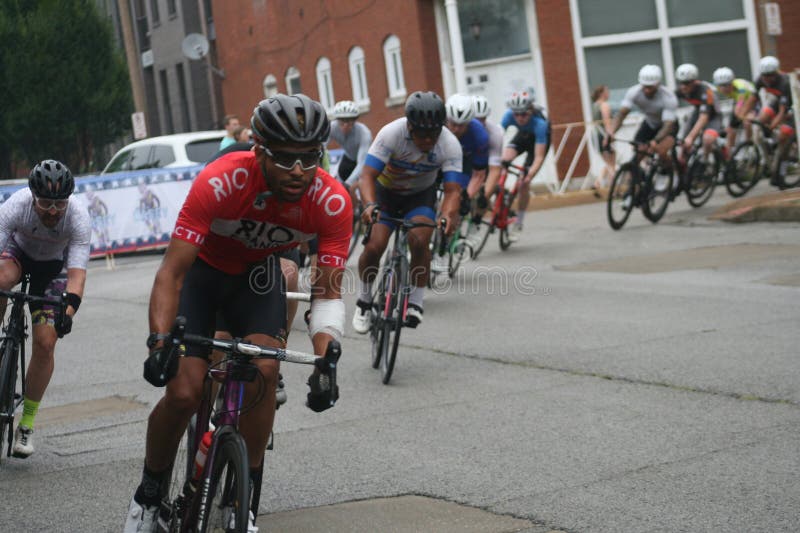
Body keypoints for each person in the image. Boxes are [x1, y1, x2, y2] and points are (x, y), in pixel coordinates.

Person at [123, 94, 351, 533]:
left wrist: (327, 360)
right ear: (260, 151)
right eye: (286, 159)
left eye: (309, 158)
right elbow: (171, 274)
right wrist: (159, 343)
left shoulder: (332, 201)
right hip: (203, 278)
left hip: (255, 279)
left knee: (265, 371)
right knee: (186, 392)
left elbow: (326, 295)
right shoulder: (221, 180)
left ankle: (244, 495)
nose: (299, 171)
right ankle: (149, 493)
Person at [351, 91, 462, 333]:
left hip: (420, 197)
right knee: (374, 246)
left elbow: (453, 190)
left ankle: (415, 302)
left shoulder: (450, 144)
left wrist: (447, 215)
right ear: (409, 126)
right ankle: (364, 300)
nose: (427, 140)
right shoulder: (392, 133)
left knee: (420, 239)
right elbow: (367, 176)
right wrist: (369, 205)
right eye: (421, 134)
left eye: (433, 134)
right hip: (385, 194)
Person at [0, 160, 90, 458]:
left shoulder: (77, 216)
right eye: (45, 203)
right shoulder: (17, 206)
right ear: (32, 196)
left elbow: (76, 275)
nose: (52, 211)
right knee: (1, 279)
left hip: (53, 268)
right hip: (19, 254)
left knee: (46, 342)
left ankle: (26, 424)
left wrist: (68, 312)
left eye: (59, 204)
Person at [606, 64, 678, 183]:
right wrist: (611, 132)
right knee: (638, 152)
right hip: (650, 124)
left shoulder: (668, 97)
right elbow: (621, 115)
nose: (647, 90)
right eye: (644, 86)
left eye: (650, 87)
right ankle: (633, 189)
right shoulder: (634, 92)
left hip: (667, 126)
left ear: (658, 84)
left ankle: (671, 172)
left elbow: (668, 125)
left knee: (660, 150)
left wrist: (656, 140)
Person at [499, 89, 551, 242]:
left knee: (523, 183)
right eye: (516, 114)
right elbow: (496, 139)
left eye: (524, 114)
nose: (520, 118)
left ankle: (519, 222)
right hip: (523, 136)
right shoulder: (508, 116)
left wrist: (529, 175)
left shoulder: (540, 124)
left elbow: (539, 157)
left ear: (531, 111)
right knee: (502, 160)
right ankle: (503, 194)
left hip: (538, 141)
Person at [739, 56, 796, 184]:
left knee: (783, 135)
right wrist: (743, 114)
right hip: (778, 101)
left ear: (776, 73)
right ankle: (769, 147)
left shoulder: (784, 83)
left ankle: (781, 168)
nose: (767, 79)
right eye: (764, 75)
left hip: (793, 106)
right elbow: (752, 99)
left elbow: (782, 112)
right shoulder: (760, 80)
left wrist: (772, 126)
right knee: (762, 118)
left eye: (770, 75)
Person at [674, 63, 723, 164]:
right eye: (681, 83)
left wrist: (691, 137)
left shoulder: (705, 91)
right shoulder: (680, 90)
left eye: (687, 83)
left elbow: (704, 117)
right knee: (683, 143)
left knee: (707, 139)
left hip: (713, 115)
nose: (683, 86)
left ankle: (706, 162)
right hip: (697, 112)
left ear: (694, 82)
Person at [328, 100, 372, 205]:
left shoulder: (364, 133)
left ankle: (361, 208)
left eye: (350, 122)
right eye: (341, 122)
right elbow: (320, 147)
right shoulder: (332, 127)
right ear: (337, 120)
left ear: (355, 121)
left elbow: (362, 162)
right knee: (338, 187)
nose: (345, 126)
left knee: (355, 187)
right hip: (348, 159)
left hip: (364, 161)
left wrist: (348, 184)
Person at [713, 66, 756, 158]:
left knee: (747, 122)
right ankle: (731, 156)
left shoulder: (740, 87)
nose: (724, 89)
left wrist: (738, 116)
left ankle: (750, 147)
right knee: (731, 130)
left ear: (732, 82)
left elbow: (740, 104)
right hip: (739, 101)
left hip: (752, 101)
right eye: (721, 86)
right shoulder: (718, 88)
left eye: (726, 85)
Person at [472, 95, 504, 217]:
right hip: (470, 159)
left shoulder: (495, 133)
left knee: (483, 197)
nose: (480, 123)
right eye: (476, 119)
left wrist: (484, 196)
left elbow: (495, 170)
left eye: (483, 119)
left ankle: (477, 221)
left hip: (487, 161)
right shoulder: (461, 129)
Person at [591, 85, 616, 191]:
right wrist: (610, 135)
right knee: (611, 163)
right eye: (607, 91)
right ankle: (613, 187)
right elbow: (607, 121)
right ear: (602, 93)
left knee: (609, 162)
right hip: (603, 135)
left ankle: (597, 183)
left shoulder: (594, 106)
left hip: (596, 135)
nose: (609, 93)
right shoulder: (604, 105)